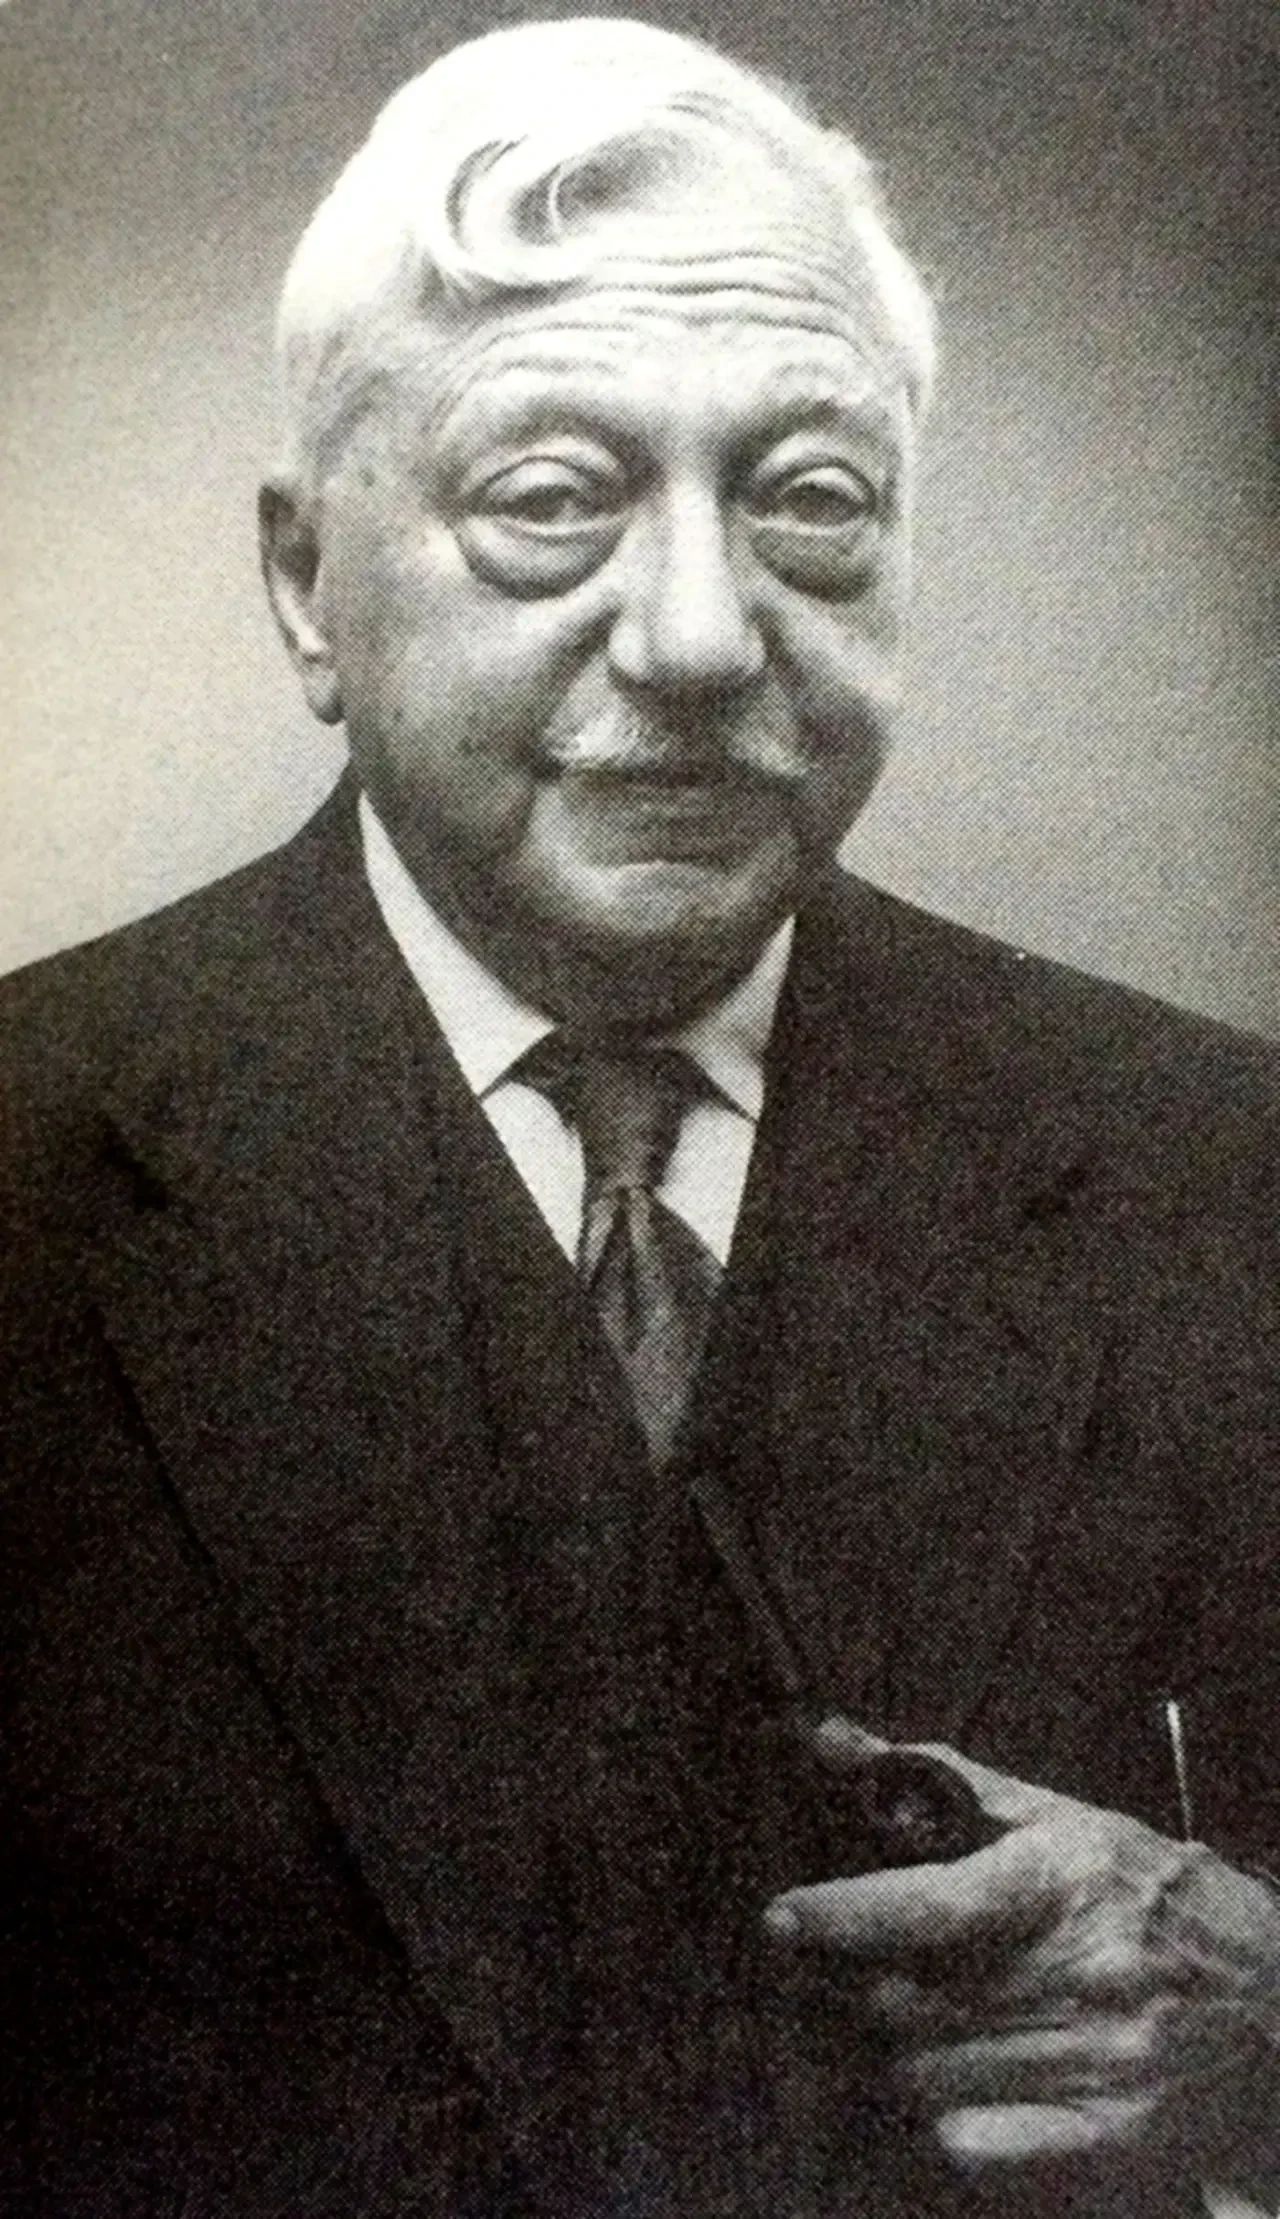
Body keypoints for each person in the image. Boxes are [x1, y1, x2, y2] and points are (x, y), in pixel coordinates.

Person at [2, 18, 1279, 2218]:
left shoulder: (1221, 1171)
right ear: (306, 582)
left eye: (810, 502)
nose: (699, 635)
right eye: (550, 499)